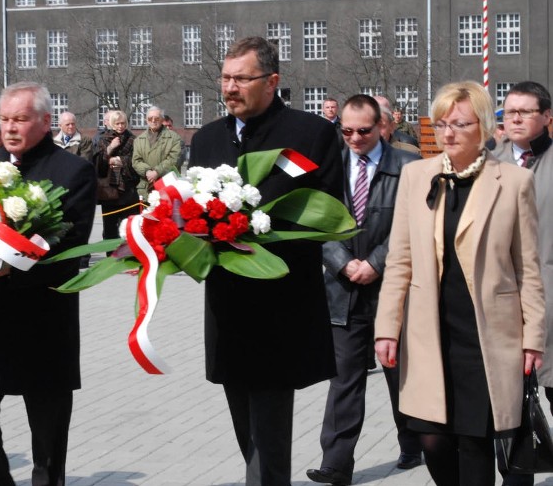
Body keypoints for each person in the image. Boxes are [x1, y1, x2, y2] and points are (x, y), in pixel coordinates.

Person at [374, 80, 545, 486]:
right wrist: (386, 328)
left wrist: (533, 336)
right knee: (431, 437)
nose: (448, 133)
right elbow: (399, 259)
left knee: (474, 441)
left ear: (483, 129)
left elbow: (528, 269)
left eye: (460, 124)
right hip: (428, 332)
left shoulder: (513, 182)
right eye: (442, 123)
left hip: (485, 336)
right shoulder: (417, 176)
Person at [190, 36, 344, 485]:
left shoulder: (309, 134)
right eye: (225, 77)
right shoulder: (206, 140)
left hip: (281, 305)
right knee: (246, 426)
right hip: (227, 307)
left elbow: (327, 211)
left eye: (242, 78)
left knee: (270, 430)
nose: (230, 87)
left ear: (272, 81)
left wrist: (258, 235)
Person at [0, 82, 96, 486]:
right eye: (4, 119)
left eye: (20, 119)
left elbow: (70, 248)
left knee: (48, 433)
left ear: (45, 121)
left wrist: (17, 267)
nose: (10, 128)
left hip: (43, 317)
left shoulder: (72, 170)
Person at [307, 95, 421, 486]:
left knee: (399, 372)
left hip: (393, 288)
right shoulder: (329, 168)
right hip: (343, 288)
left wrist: (376, 262)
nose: (354, 138)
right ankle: (336, 464)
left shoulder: (408, 167)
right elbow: (314, 224)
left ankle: (413, 440)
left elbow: (412, 227)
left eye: (364, 131)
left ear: (383, 127)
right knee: (345, 378)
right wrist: (342, 262)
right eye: (347, 130)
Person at [492, 82, 553, 486]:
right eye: (508, 111)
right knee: (511, 404)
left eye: (525, 111)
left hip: (550, 300)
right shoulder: (488, 162)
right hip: (503, 306)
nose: (514, 118)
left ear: (547, 117)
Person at [94, 110, 141, 242]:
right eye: (117, 123)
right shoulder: (103, 139)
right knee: (110, 231)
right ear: (112, 124)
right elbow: (98, 163)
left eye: (123, 123)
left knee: (129, 229)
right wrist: (110, 148)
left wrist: (120, 160)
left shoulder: (132, 139)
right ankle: (111, 258)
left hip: (128, 190)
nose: (120, 126)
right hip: (109, 192)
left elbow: (136, 160)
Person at [131, 106, 181, 199]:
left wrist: (157, 172)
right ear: (146, 120)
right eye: (150, 118)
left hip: (167, 186)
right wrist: (147, 171)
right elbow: (136, 161)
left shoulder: (174, 138)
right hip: (146, 188)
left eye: (156, 118)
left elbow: (173, 159)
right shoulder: (138, 140)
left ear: (162, 119)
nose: (153, 120)